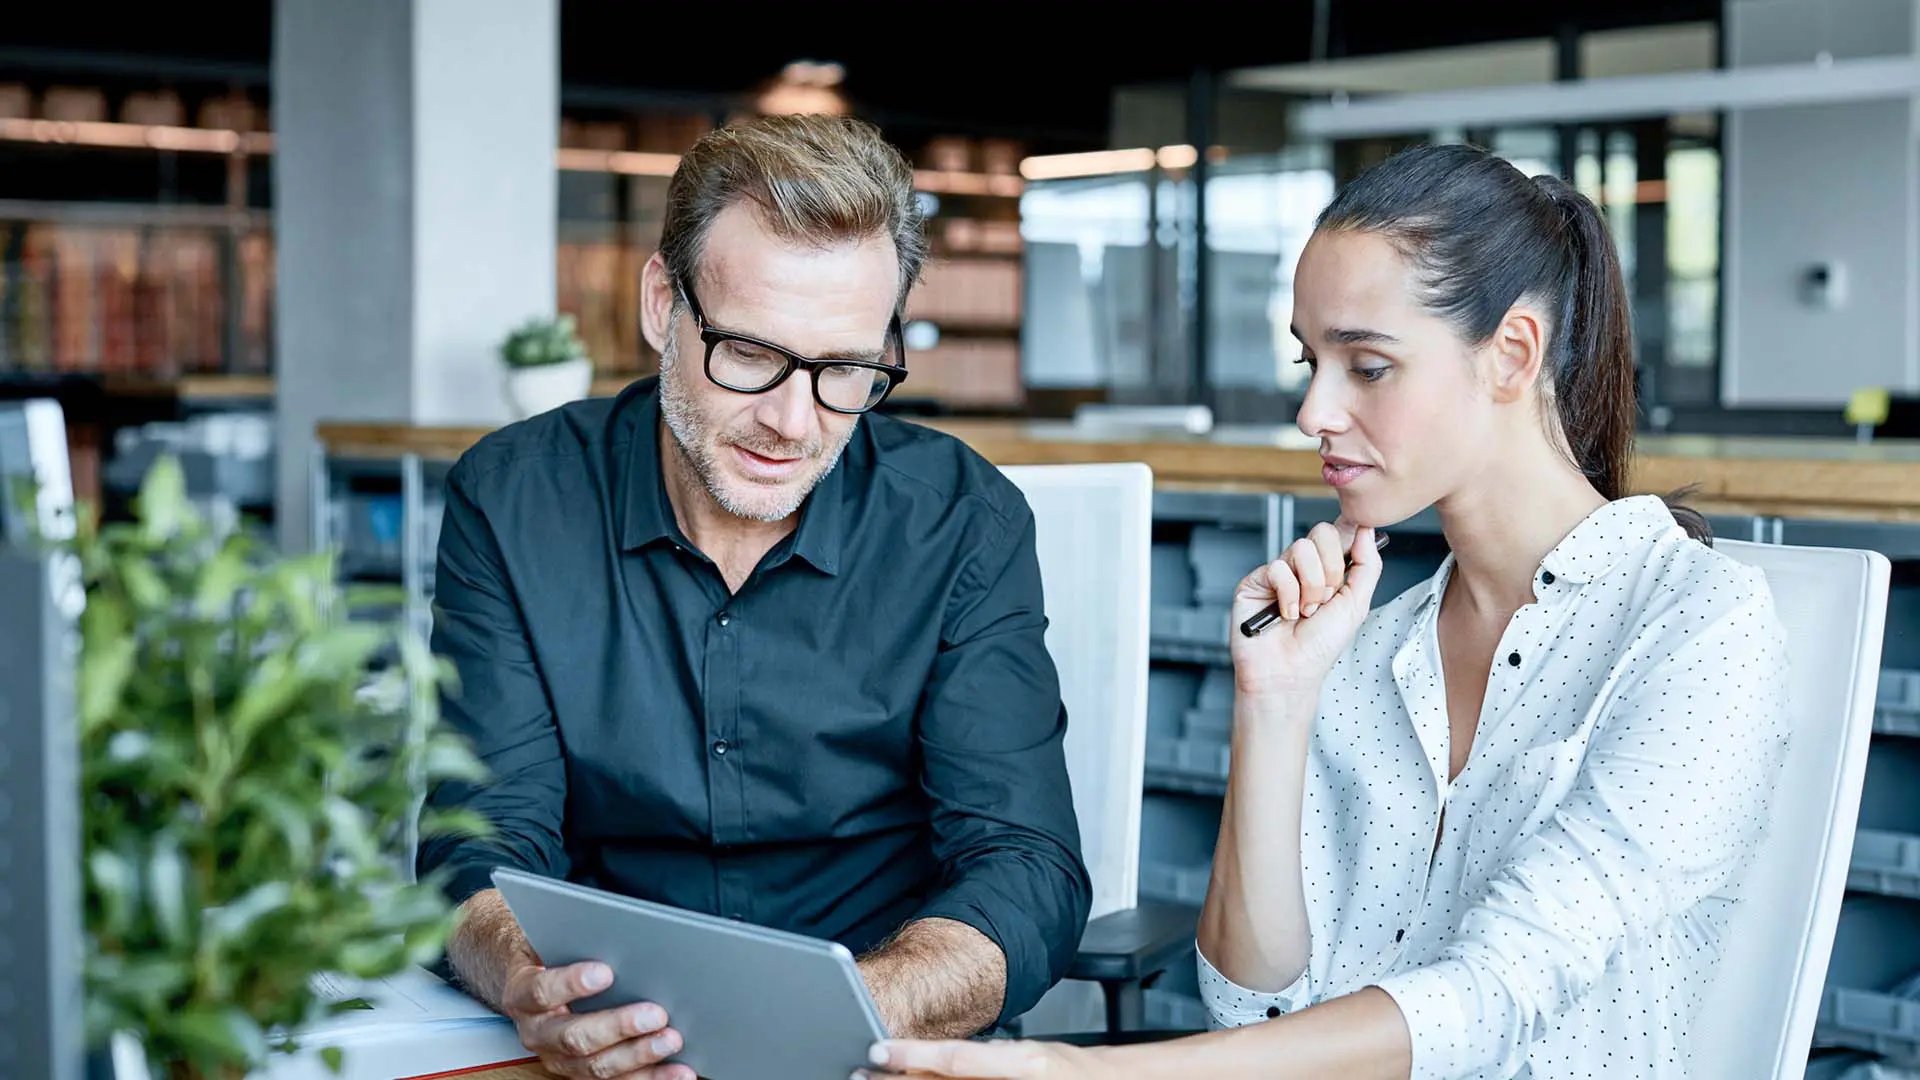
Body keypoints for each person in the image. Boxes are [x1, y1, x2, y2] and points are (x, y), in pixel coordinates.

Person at [863, 143, 1790, 1080]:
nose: (1313, 411)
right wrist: (1274, 704)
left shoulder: (1699, 626)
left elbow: (1499, 993)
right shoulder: (1372, 642)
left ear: (1512, 354)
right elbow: (1250, 1000)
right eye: (1312, 361)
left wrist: (1088, 1073)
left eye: (1369, 367)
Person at [417, 114, 1091, 1080]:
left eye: (845, 371)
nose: (791, 421)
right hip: (600, 1045)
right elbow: (476, 840)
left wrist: (850, 1011)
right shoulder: (514, 499)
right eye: (747, 353)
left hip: (876, 1047)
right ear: (662, 303)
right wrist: (532, 983)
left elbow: (1026, 867)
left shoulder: (962, 523)